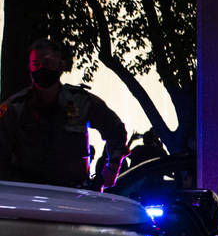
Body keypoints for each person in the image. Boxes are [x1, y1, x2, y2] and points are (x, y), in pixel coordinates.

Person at [0, 38, 126, 189]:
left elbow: (116, 130)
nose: (42, 69)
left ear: (61, 66)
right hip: (29, 197)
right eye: (36, 64)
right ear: (29, 68)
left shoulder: (81, 102)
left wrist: (112, 168)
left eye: (48, 64)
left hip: (73, 196)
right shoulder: (14, 108)